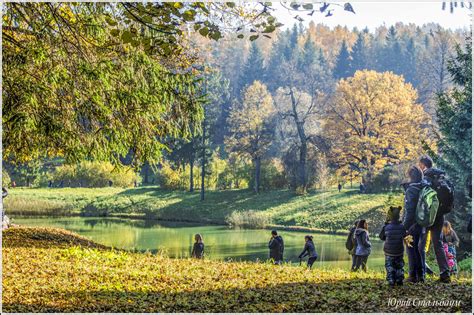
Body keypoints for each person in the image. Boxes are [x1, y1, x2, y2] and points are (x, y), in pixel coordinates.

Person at [418, 155, 451, 283]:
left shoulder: (425, 177)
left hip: (427, 216)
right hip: (440, 215)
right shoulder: (440, 177)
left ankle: (423, 271)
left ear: (422, 165)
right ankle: (445, 273)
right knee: (438, 243)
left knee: (421, 244)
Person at [402, 165, 426, 283]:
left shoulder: (411, 189)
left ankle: (412, 275)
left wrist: (404, 227)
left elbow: (410, 210)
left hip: (411, 225)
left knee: (411, 250)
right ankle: (421, 275)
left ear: (411, 176)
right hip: (421, 223)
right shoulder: (423, 187)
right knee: (417, 249)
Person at [379, 206, 407, 286]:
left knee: (389, 265)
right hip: (399, 251)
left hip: (389, 251)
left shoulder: (386, 227)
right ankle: (399, 279)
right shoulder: (402, 227)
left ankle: (391, 280)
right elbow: (405, 235)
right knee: (399, 265)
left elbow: (381, 237)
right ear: (399, 216)